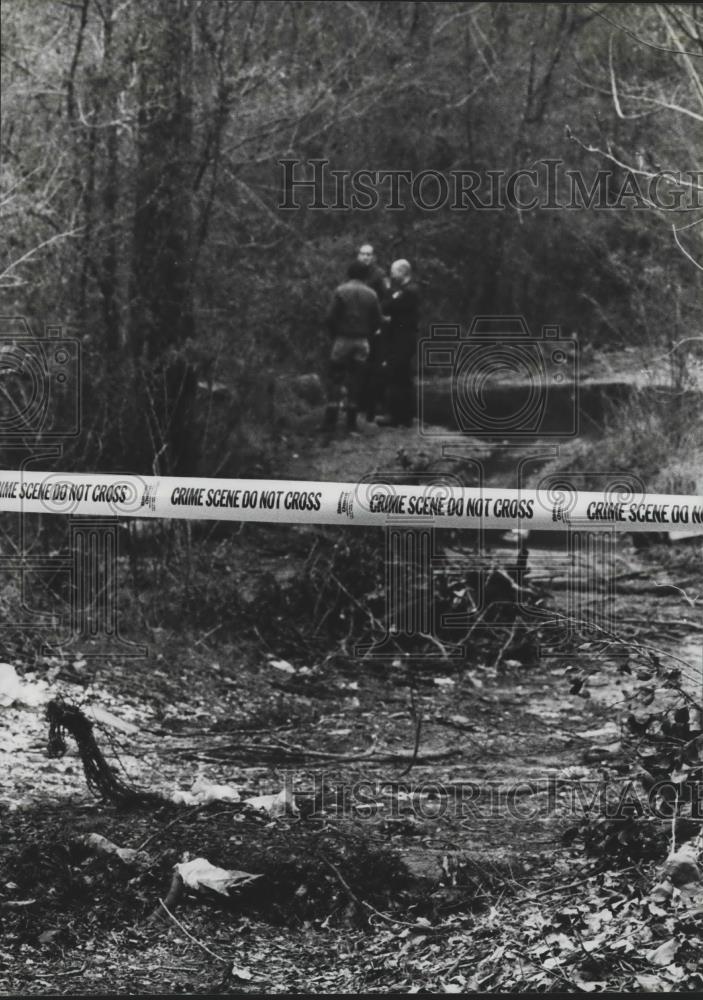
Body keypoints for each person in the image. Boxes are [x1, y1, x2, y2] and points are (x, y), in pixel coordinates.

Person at [322, 261, 383, 432]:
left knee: (335, 378)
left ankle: (330, 421)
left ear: (349, 274)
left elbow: (330, 317)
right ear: (365, 276)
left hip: (342, 339)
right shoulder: (371, 294)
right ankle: (351, 423)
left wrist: (334, 335)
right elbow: (377, 319)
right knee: (356, 380)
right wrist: (368, 333)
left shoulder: (341, 291)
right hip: (362, 340)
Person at [347, 244, 389, 422]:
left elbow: (385, 299)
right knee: (355, 365)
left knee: (372, 364)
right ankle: (356, 403)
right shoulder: (353, 272)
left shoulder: (378, 275)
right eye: (362, 254)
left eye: (368, 255)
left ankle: (372, 405)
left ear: (373, 257)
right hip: (354, 326)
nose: (365, 257)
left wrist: (379, 321)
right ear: (358, 256)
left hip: (373, 325)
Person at [377, 259, 420, 427]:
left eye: (393, 271)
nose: (391, 274)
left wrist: (388, 290)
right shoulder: (406, 290)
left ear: (403, 272)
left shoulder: (409, 291)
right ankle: (405, 415)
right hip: (402, 338)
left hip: (402, 340)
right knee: (402, 376)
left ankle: (397, 416)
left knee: (396, 375)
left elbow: (388, 307)